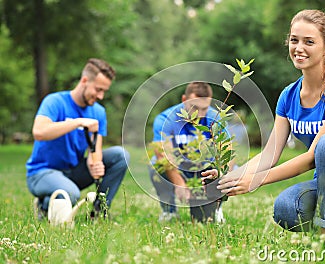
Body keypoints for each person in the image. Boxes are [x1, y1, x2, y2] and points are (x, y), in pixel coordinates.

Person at [203, 9, 325, 233]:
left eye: (309, 42)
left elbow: (311, 158)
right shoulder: (288, 96)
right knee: (285, 209)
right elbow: (269, 154)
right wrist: (231, 177)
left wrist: (256, 181)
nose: (299, 48)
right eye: (294, 40)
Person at [26, 58, 130, 220]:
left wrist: (95, 163)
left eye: (104, 91)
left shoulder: (98, 112)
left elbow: (95, 150)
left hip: (73, 171)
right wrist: (77, 122)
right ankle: (45, 205)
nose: (101, 96)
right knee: (71, 194)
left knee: (120, 155)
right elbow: (39, 132)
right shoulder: (55, 102)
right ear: (84, 81)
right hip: (42, 172)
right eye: (98, 89)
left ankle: (98, 213)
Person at [149, 82, 227, 222]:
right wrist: (179, 183)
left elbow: (226, 151)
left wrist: (221, 174)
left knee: (226, 169)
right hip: (178, 167)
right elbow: (162, 154)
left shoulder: (215, 119)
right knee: (156, 164)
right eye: (195, 107)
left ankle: (216, 209)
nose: (200, 114)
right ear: (184, 100)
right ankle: (169, 211)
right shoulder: (165, 119)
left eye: (204, 108)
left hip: (204, 168)